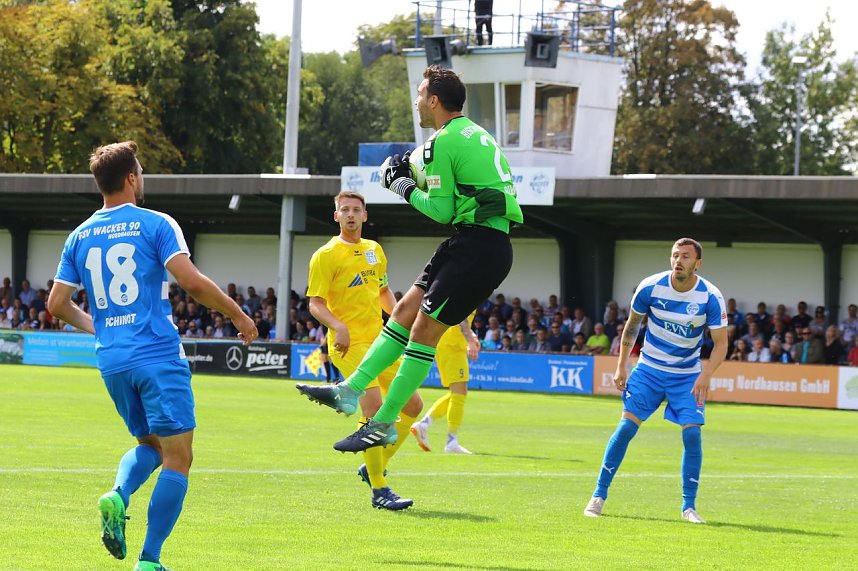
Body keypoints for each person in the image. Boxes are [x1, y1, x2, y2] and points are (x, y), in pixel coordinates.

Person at [47, 141, 257, 571]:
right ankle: (150, 559)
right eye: (140, 171)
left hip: (113, 360)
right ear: (131, 178)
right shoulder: (156, 223)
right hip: (158, 354)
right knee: (180, 457)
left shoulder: (80, 235)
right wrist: (237, 314)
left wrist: (100, 328)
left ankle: (118, 495)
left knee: (151, 446)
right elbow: (192, 282)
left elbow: (57, 303)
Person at [297, 65, 523, 456]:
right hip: (473, 241)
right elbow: (447, 178)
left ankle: (382, 423)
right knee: (402, 311)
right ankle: (349, 391)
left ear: (434, 101)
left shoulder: (443, 142)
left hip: (479, 246)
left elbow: (440, 209)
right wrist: (409, 170)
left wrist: (400, 184)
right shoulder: (474, 133)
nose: (417, 101)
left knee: (421, 335)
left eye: (420, 95)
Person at [583, 238, 728, 525]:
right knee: (625, 429)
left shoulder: (710, 296)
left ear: (697, 263)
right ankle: (598, 496)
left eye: (686, 256)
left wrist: (705, 375)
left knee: (692, 434)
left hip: (686, 376)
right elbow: (632, 326)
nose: (679, 260)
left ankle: (689, 507)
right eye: (675, 255)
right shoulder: (650, 287)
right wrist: (621, 365)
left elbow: (721, 343)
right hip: (648, 370)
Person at [305, 191, 423, 510]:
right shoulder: (326, 255)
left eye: (357, 209)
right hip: (348, 345)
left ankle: (372, 462)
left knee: (413, 405)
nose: (351, 214)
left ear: (365, 216)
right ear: (337, 217)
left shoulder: (375, 250)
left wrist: (404, 323)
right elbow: (315, 303)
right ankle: (379, 489)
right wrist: (338, 326)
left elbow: (383, 291)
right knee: (373, 408)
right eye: (345, 210)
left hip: (379, 342)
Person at [411, 311, 481, 454]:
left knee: (458, 394)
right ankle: (451, 442)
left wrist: (471, 336)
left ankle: (424, 425)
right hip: (452, 345)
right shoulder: (469, 288)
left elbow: (457, 318)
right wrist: (469, 341)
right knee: (459, 394)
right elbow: (461, 317)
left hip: (451, 343)